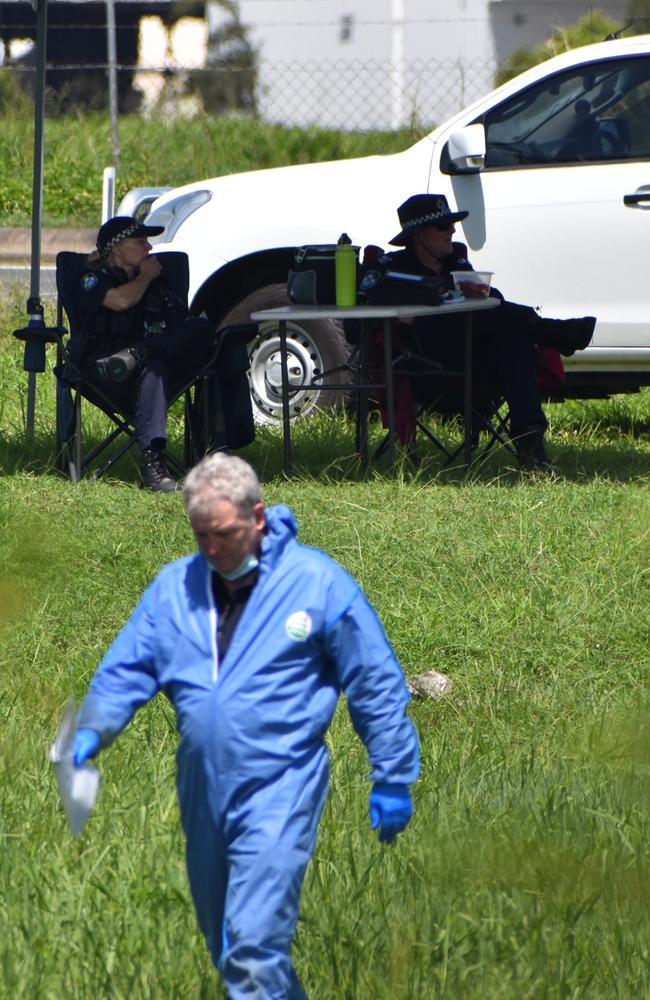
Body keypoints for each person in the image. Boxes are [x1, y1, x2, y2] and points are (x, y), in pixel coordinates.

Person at [72, 452, 420, 999]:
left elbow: (374, 680)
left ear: (258, 519)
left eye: (225, 534)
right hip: (203, 785)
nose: (212, 548)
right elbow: (129, 667)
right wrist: (92, 730)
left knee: (254, 947)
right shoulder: (174, 589)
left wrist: (393, 775)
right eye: (200, 535)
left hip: (281, 783)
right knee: (226, 942)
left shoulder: (317, 584)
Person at [372, 193, 597, 469]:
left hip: (476, 361)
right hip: (432, 367)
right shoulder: (394, 268)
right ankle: (549, 331)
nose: (452, 231)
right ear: (418, 234)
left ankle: (532, 449)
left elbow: (490, 301)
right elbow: (374, 302)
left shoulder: (457, 263)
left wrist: (481, 292)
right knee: (490, 323)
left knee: (514, 345)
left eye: (452, 225)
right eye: (443, 227)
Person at [73, 215, 255, 492]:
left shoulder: (160, 284)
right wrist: (146, 277)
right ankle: (154, 463)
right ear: (118, 248)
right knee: (154, 367)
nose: (149, 248)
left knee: (197, 330)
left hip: (156, 364)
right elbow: (121, 300)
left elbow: (182, 326)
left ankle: (141, 353)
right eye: (140, 242)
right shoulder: (91, 279)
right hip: (106, 370)